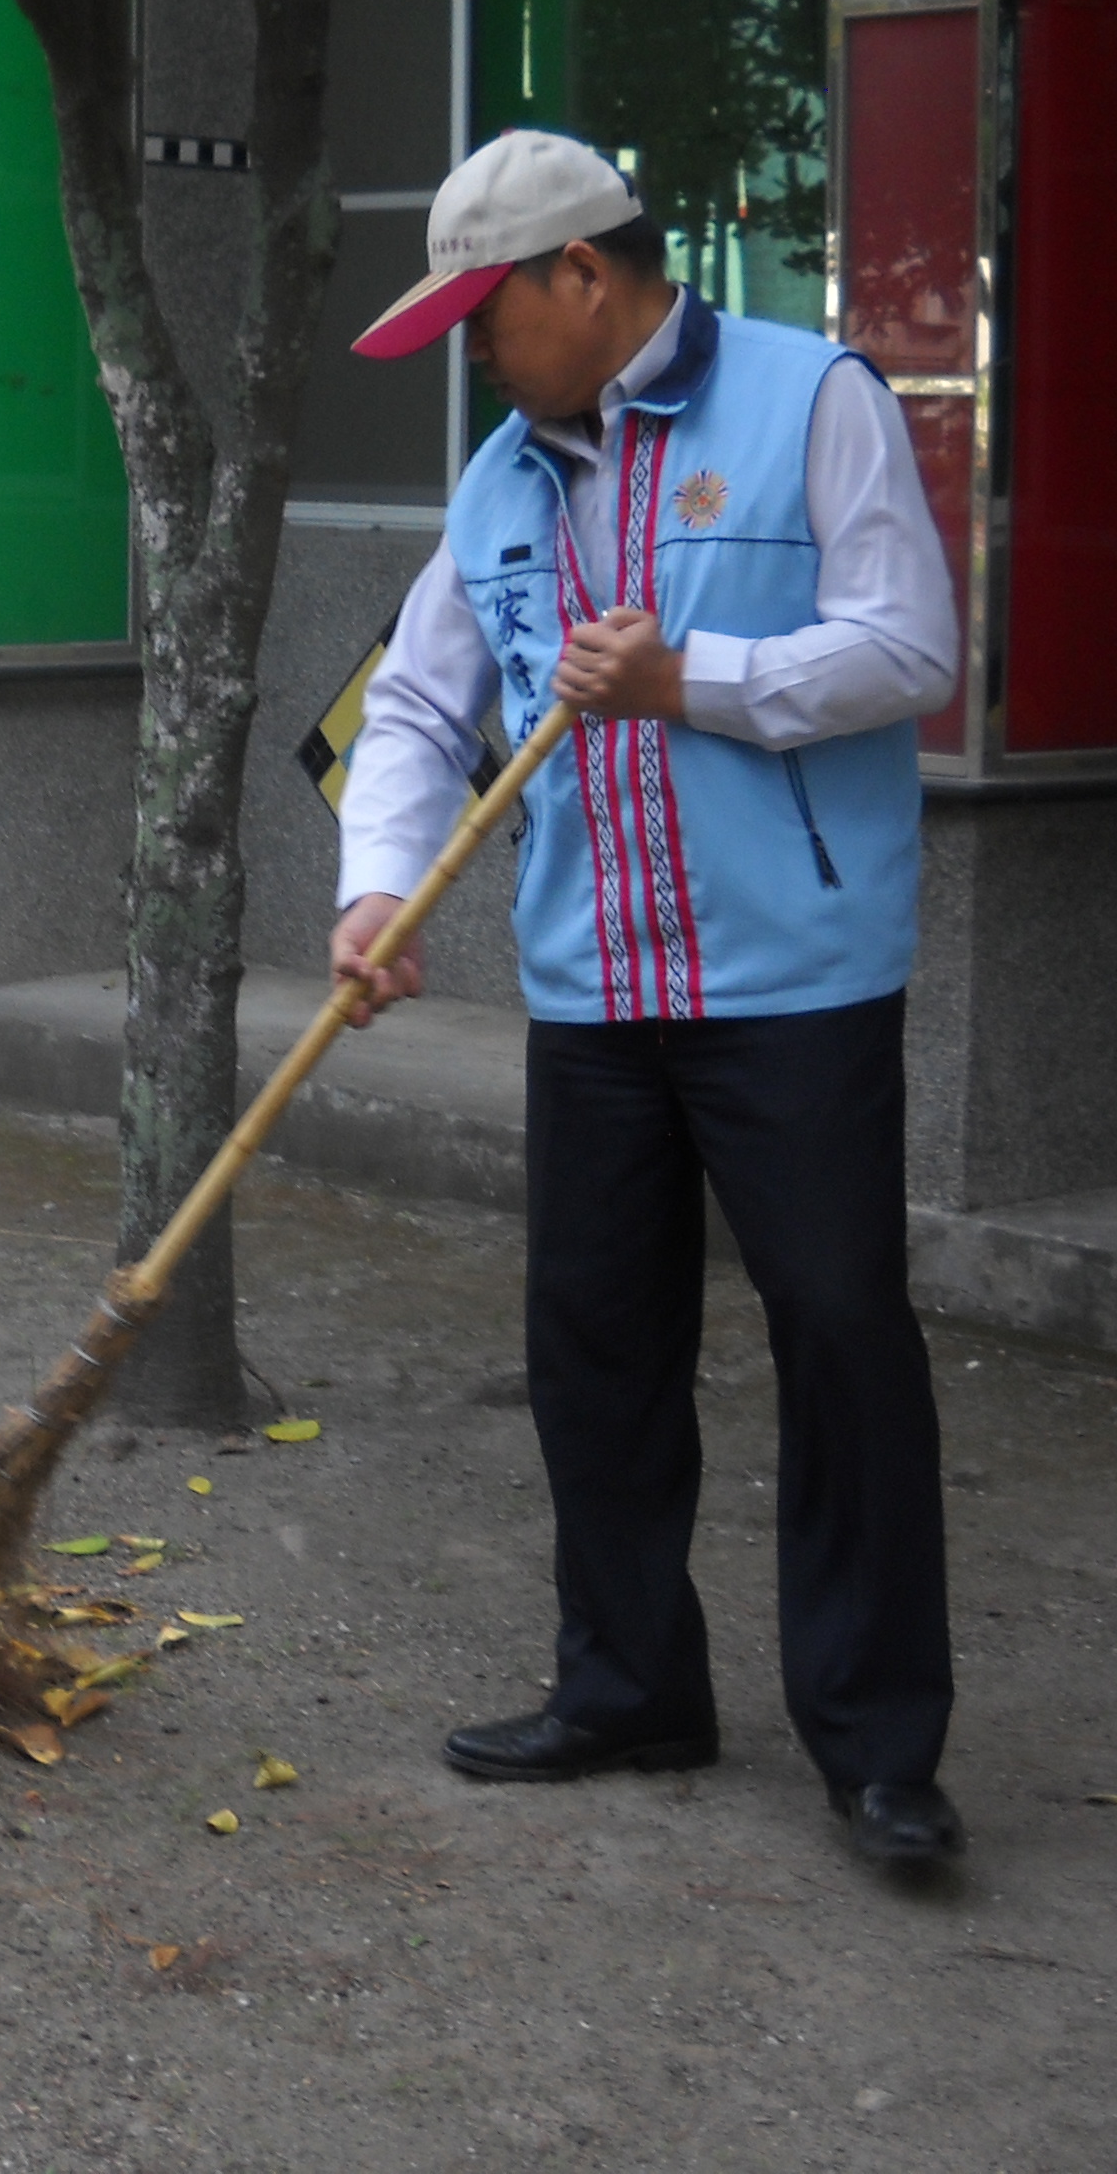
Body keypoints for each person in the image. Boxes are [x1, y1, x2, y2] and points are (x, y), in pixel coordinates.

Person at [328, 130, 969, 1869]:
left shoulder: (810, 397)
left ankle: (875, 1745)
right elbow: (414, 708)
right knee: (595, 1351)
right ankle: (626, 1683)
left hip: (792, 985)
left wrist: (700, 679)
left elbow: (913, 647)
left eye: (485, 315)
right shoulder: (499, 483)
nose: (473, 351)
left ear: (580, 281)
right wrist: (375, 887)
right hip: (593, 990)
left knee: (838, 1337)